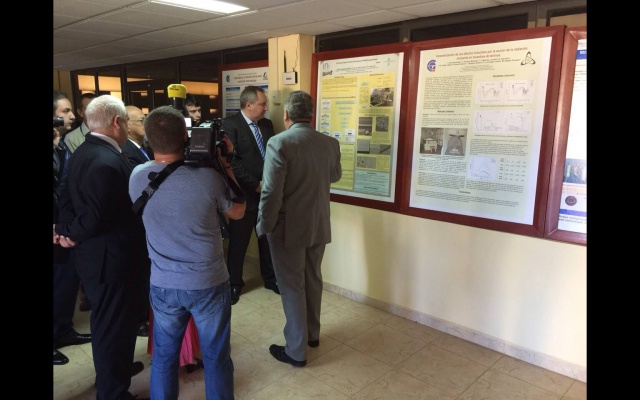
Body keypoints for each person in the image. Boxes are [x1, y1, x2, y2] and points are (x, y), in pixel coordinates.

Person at [128, 105, 245, 399]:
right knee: (217, 358)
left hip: (163, 283)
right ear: (185, 136)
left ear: (148, 139)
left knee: (164, 359)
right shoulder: (208, 178)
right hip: (208, 282)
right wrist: (225, 163)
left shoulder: (137, 177)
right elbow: (238, 211)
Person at [54, 94, 150, 400]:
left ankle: (116, 371)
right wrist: (66, 232)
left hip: (97, 257)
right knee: (111, 326)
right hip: (110, 261)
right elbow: (96, 219)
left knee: (114, 324)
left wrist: (65, 230)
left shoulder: (82, 150)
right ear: (117, 122)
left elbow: (66, 198)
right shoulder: (106, 162)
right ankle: (113, 391)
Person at [256, 90, 342, 367]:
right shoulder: (330, 143)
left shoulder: (279, 142)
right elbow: (335, 175)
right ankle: (312, 335)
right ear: (311, 114)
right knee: (313, 278)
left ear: (286, 115)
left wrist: (264, 225)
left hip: (287, 228)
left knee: (292, 286)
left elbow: (271, 192)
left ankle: (296, 350)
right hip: (319, 223)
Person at [221, 85, 279, 305]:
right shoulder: (230, 125)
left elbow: (273, 155)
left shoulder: (266, 124)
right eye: (262, 104)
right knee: (239, 241)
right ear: (249, 105)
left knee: (267, 240)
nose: (266, 108)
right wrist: (255, 185)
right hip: (244, 195)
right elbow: (232, 162)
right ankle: (234, 284)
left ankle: (270, 279)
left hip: (267, 194)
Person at [53, 90, 91, 366]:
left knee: (65, 283)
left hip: (63, 225)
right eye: (64, 111)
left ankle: (63, 330)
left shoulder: (62, 144)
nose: (70, 116)